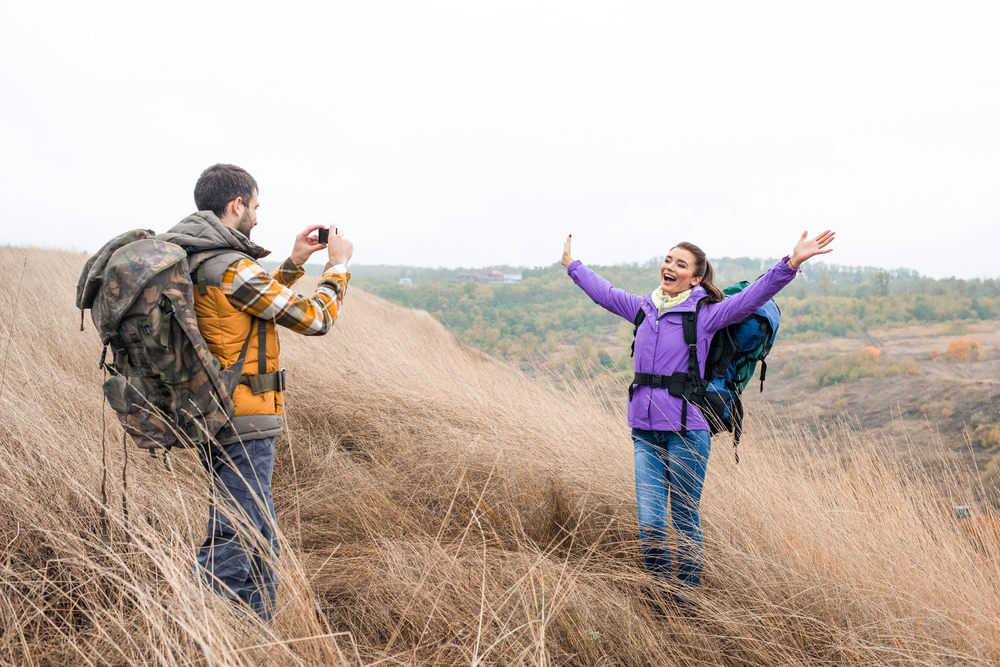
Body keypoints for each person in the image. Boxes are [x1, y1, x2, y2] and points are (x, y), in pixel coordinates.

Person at [560, 230, 834, 601]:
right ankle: (661, 596)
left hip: (687, 431)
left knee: (684, 519)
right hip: (644, 431)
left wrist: (790, 263)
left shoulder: (706, 315)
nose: (669, 267)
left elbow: (755, 296)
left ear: (697, 277)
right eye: (668, 259)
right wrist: (573, 266)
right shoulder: (644, 308)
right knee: (651, 525)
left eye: (680, 264)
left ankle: (685, 601)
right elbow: (605, 294)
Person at [159, 163, 354, 621]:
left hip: (215, 410)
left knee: (260, 539)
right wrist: (337, 268)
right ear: (236, 205)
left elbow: (246, 309)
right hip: (243, 420)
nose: (258, 217)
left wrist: (293, 264)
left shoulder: (196, 258)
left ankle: (252, 638)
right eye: (255, 206)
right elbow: (315, 320)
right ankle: (191, 634)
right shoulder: (230, 265)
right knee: (235, 537)